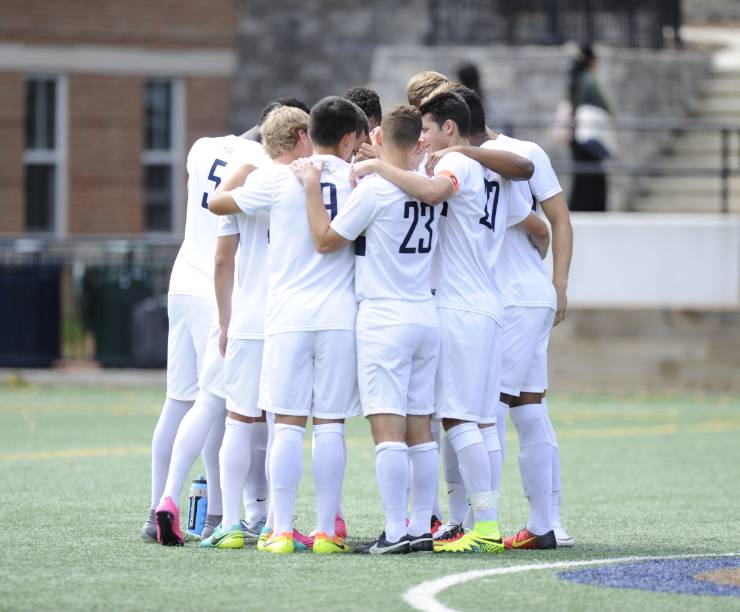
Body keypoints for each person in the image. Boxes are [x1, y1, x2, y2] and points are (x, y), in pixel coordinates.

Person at [352, 91, 536, 554]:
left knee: (458, 419)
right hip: (489, 302)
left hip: (459, 305)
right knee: (482, 421)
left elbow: (435, 190)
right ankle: (481, 523)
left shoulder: (459, 164)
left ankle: (486, 525)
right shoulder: (492, 169)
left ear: (449, 129)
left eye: (429, 130)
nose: (425, 140)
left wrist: (377, 167)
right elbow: (532, 219)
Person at [209, 98, 363, 555]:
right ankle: (324, 533)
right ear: (351, 137)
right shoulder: (361, 179)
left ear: (308, 133)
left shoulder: (277, 178)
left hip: (287, 317)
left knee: (288, 426)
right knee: (330, 425)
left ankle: (277, 531)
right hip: (339, 317)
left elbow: (218, 203)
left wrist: (244, 167)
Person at [294, 105, 442, 554]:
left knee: (388, 432)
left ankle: (395, 531)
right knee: (421, 430)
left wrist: (311, 188)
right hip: (424, 314)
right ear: (419, 142)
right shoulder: (428, 187)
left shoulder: (376, 191)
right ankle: (419, 526)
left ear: (379, 139)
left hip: (384, 317)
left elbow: (324, 240)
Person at [442, 84, 575, 548]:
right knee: (530, 405)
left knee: (485, 409)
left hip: (510, 299)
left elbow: (546, 222)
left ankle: (475, 524)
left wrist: (553, 280)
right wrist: (552, 283)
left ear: (451, 123)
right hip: (528, 296)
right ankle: (546, 523)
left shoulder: (470, 162)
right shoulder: (512, 153)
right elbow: (540, 225)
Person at [141, 130, 267, 544]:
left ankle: (157, 504)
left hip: (181, 285)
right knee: (218, 405)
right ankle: (215, 513)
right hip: (219, 290)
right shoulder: (261, 160)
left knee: (178, 401)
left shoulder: (201, 146)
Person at [569, 44, 612, 212]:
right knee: (593, 176)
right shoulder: (588, 79)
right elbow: (604, 104)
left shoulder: (577, 77)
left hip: (579, 134)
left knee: (583, 176)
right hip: (590, 135)